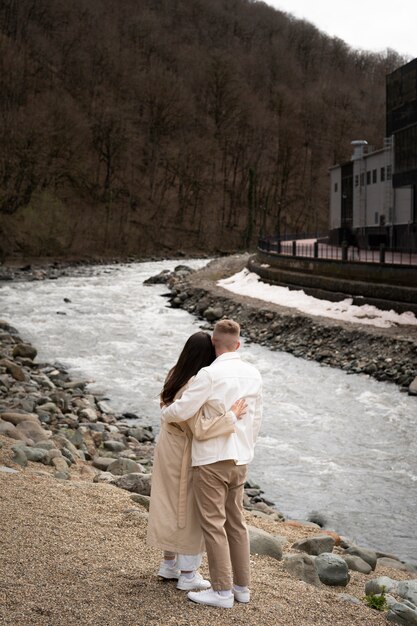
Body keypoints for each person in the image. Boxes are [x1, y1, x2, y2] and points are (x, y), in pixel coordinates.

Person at [161, 319, 263, 609]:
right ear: (238, 344)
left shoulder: (208, 374)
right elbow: (256, 419)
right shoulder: (254, 374)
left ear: (215, 344)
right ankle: (241, 588)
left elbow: (182, 410)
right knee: (237, 524)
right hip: (241, 459)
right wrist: (247, 447)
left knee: (214, 525)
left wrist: (166, 413)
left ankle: (221, 592)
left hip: (211, 460)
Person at [147, 330, 247, 592]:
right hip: (183, 450)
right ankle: (188, 574)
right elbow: (200, 428)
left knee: (169, 504)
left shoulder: (175, 372)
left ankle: (169, 564)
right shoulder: (195, 383)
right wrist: (231, 417)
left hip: (167, 446)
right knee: (188, 510)